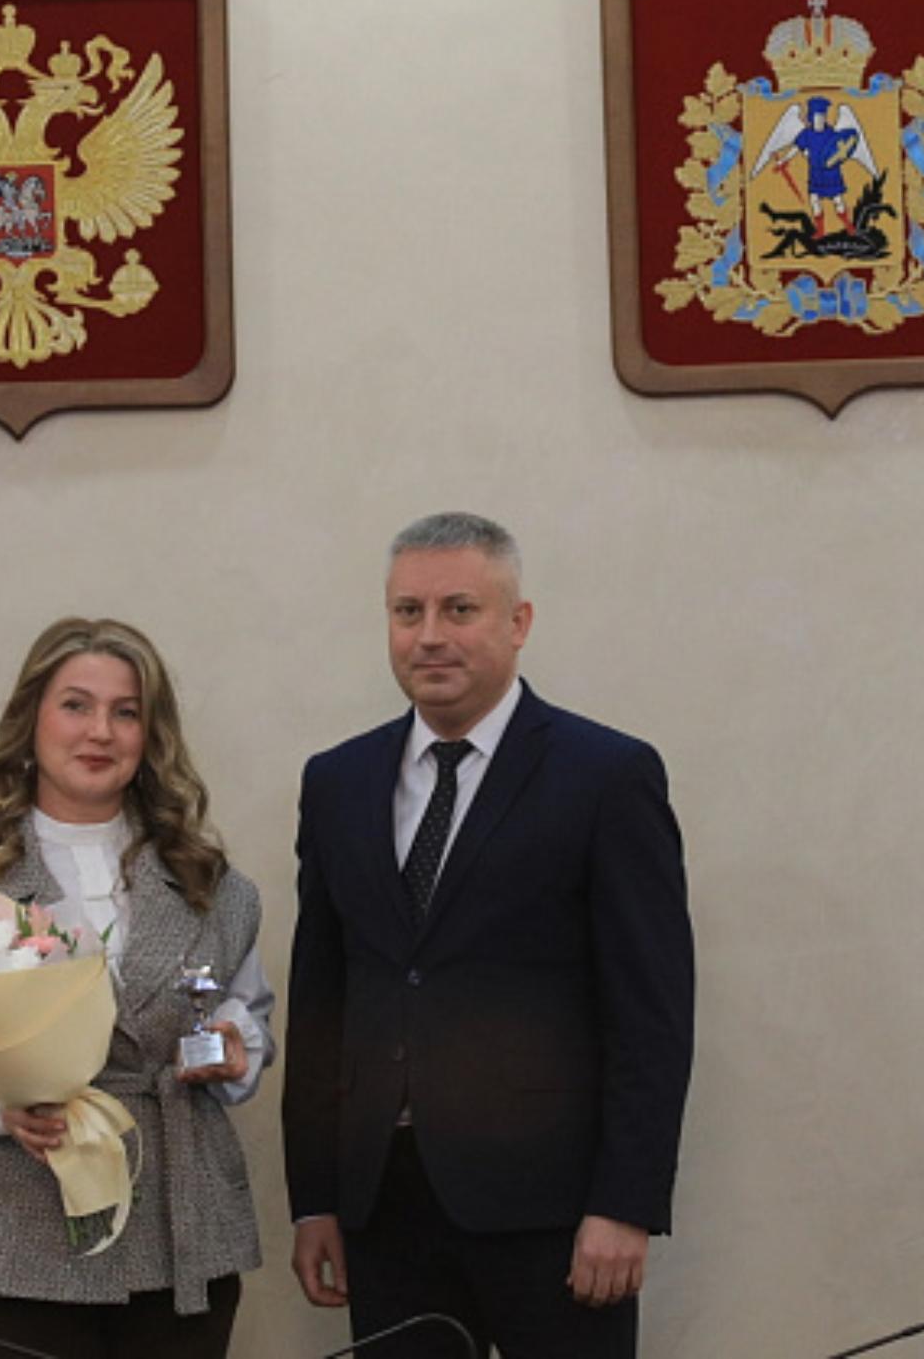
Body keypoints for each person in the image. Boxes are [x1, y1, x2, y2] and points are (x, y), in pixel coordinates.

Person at [283, 513, 695, 1357]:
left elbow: (651, 1012)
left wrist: (625, 1204)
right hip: (384, 1210)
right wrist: (315, 1197)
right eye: (408, 612)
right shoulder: (337, 782)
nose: (430, 635)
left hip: (554, 1214)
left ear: (518, 622)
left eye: (459, 609)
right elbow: (322, 1000)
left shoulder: (606, 776)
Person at [0, 617, 272, 1359]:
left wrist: (239, 1048)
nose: (100, 732)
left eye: (126, 712)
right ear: (31, 722)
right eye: (76, 705)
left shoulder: (213, 888)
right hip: (5, 1246)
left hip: (181, 1238)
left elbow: (244, 1011)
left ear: (151, 735)